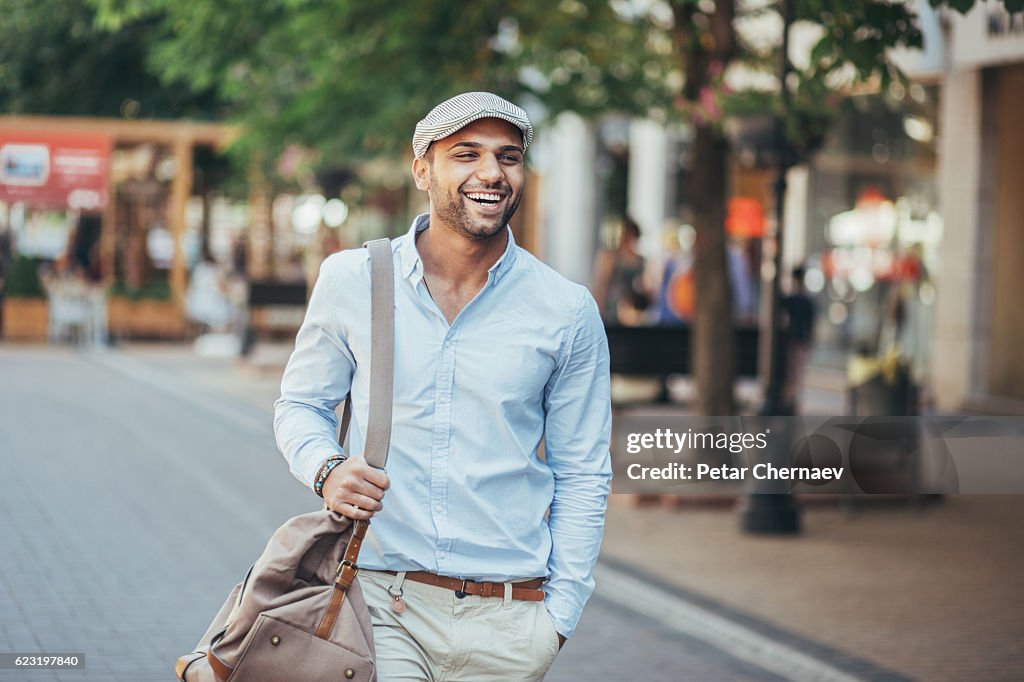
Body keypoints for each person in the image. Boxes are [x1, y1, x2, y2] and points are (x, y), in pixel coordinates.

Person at [274, 92, 612, 681]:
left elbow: (583, 468)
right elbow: (302, 404)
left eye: (508, 157)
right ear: (423, 169)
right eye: (466, 154)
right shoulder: (354, 279)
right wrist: (327, 468)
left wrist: (560, 616)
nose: (491, 173)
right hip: (382, 602)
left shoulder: (565, 310)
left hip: (513, 618)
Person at [591, 216, 649, 325]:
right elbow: (601, 285)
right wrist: (597, 312)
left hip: (633, 313)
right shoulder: (610, 258)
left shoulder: (641, 261)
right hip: (611, 312)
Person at [781, 265, 817, 414]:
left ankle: (790, 400)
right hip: (799, 340)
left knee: (793, 372)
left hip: (795, 340)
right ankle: (791, 399)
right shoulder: (803, 300)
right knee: (795, 373)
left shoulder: (794, 299)